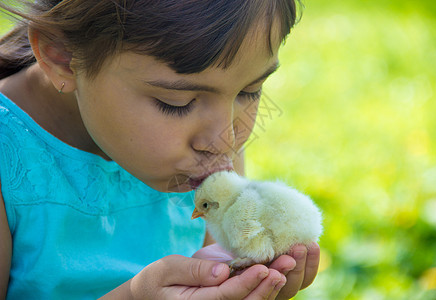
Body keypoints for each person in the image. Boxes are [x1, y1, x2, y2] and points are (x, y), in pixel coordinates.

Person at [0, 0, 321, 299]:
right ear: (62, 56)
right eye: (177, 103)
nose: (225, 139)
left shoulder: (210, 147)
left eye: (249, 91)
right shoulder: (8, 157)